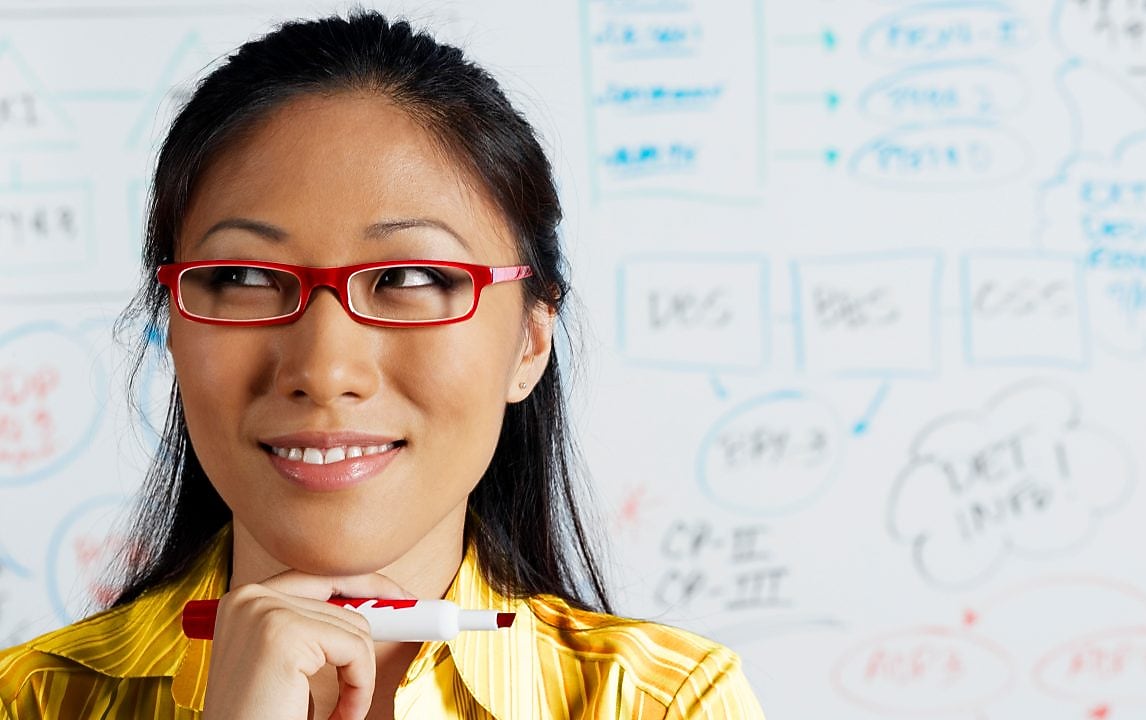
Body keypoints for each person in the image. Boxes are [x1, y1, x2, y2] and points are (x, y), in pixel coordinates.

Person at [0, 11, 765, 719]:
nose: (325, 369)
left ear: (530, 342)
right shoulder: (30, 699)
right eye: (245, 278)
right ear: (172, 321)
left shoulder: (664, 702)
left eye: (408, 279)